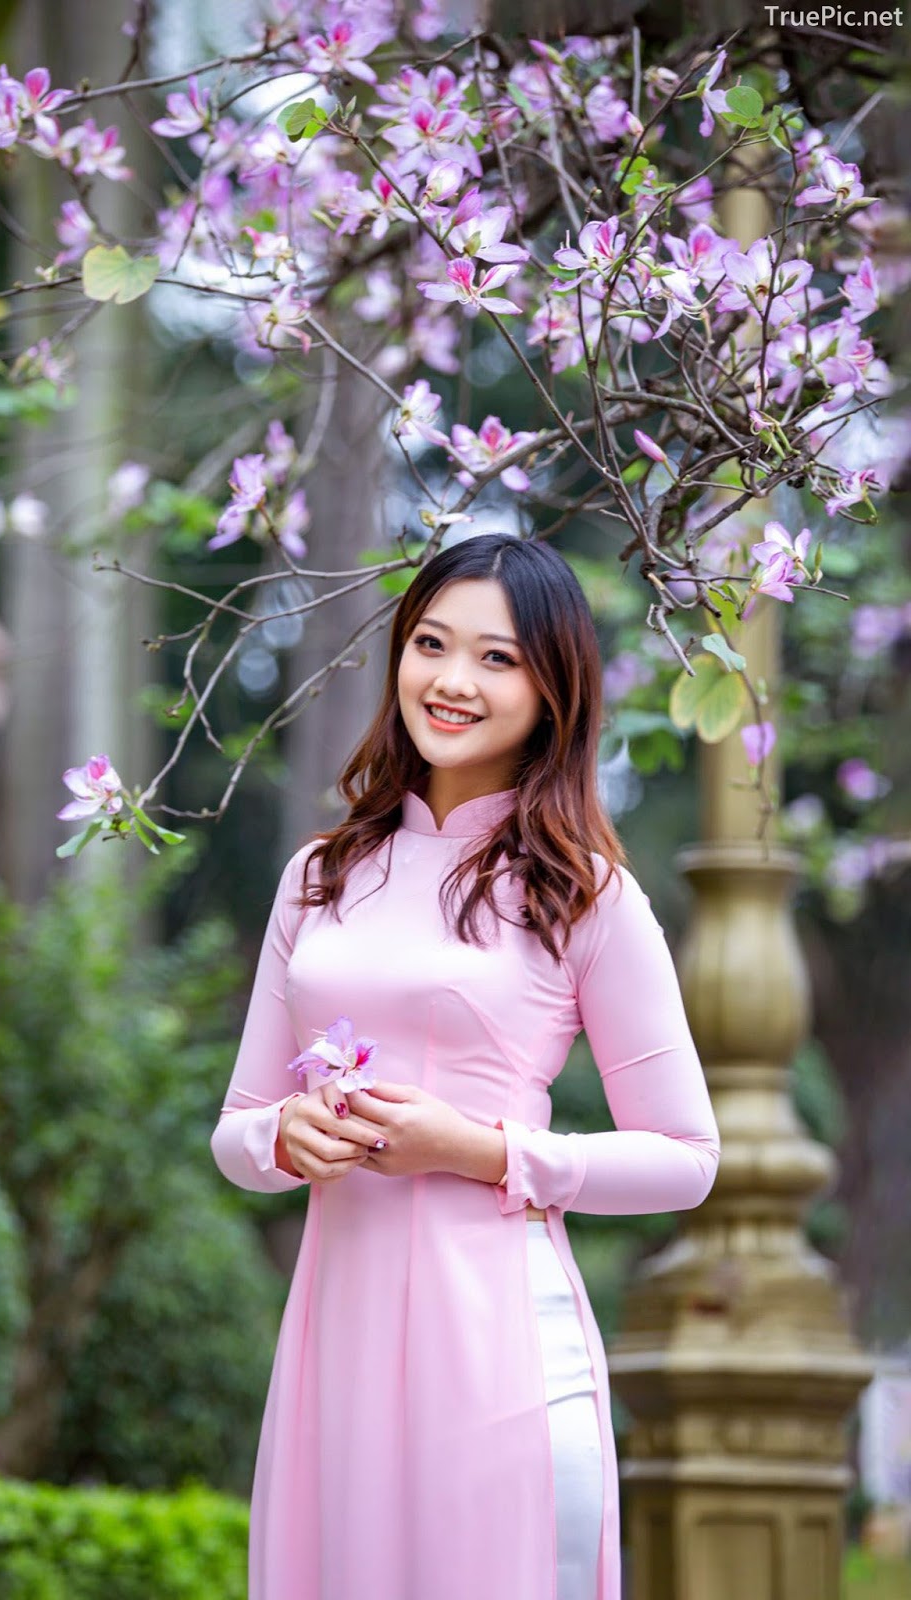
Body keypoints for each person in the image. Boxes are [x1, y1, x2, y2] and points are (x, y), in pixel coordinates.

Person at [210, 532, 721, 1600]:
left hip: (497, 1350)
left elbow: (687, 1158)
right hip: (333, 1353)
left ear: (554, 688)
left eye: (497, 658)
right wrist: (283, 1137)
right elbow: (241, 1130)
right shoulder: (319, 875)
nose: (450, 680)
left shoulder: (584, 894)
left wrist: (484, 1151)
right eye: (431, 643)